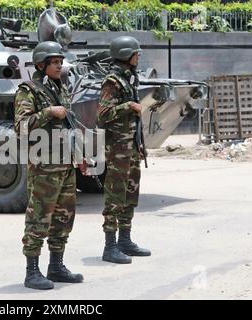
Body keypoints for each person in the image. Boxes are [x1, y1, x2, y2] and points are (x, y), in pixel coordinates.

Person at [14, 41, 83, 290]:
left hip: (65, 164)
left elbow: (70, 126)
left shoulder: (60, 88)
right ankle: (32, 272)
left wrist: (80, 155)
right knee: (39, 217)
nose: (59, 66)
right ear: (42, 65)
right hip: (44, 166)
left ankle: (56, 266)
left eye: (60, 62)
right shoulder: (28, 90)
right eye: (55, 63)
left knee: (64, 218)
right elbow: (21, 126)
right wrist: (48, 113)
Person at [97, 36, 151, 264]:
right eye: (136, 53)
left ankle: (125, 240)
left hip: (131, 147)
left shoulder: (129, 78)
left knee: (131, 193)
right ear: (126, 54)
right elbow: (102, 115)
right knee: (115, 195)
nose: (139, 57)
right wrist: (128, 106)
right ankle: (110, 246)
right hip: (118, 148)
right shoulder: (113, 82)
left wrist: (139, 144)